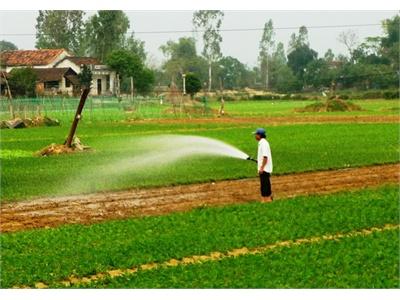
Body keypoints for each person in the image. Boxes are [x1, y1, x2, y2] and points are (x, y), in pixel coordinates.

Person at [253, 128, 273, 202]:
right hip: (265, 167)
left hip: (264, 168)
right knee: (266, 183)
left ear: (259, 135)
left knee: (264, 185)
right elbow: (263, 157)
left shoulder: (263, 144)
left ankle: (265, 200)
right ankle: (269, 198)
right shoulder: (263, 143)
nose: (255, 136)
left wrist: (262, 167)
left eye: (256, 134)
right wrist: (259, 162)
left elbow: (265, 157)